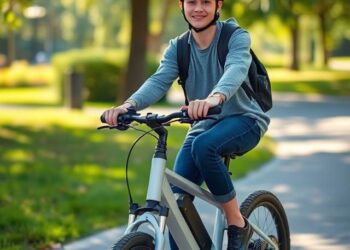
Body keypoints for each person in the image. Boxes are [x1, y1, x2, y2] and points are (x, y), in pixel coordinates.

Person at [102, 0, 270, 249]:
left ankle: (237, 223)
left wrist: (215, 97)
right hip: (203, 125)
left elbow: (236, 68)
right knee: (174, 203)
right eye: (191, 2)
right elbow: (159, 80)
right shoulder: (178, 47)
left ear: (218, 5)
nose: (198, 8)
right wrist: (128, 105)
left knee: (204, 146)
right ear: (181, 6)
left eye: (206, 2)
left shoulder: (235, 37)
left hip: (245, 119)